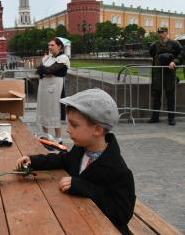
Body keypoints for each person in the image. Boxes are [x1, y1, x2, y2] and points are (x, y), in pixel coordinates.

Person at [16, 88, 135, 234]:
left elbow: (121, 215)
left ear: (97, 130)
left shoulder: (118, 171)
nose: (68, 129)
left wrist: (85, 187)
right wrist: (34, 161)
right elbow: (63, 159)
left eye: (74, 125)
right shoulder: (80, 150)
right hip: (79, 221)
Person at [36, 38, 70, 143]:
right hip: (43, 87)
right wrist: (44, 71)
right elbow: (39, 70)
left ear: (59, 46)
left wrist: (44, 71)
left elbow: (50, 70)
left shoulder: (63, 58)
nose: (50, 47)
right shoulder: (47, 58)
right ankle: (45, 134)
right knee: (43, 109)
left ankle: (58, 138)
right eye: (49, 45)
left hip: (55, 88)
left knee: (54, 110)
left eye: (52, 45)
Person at [148, 27, 184, 126]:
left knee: (170, 96)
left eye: (162, 32)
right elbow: (152, 55)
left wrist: (174, 62)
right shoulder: (154, 45)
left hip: (169, 73)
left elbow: (181, 54)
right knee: (156, 95)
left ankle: (171, 118)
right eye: (159, 32)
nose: (160, 34)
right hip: (158, 73)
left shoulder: (174, 44)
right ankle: (155, 117)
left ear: (166, 33)